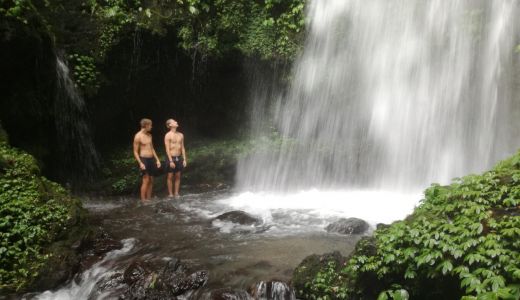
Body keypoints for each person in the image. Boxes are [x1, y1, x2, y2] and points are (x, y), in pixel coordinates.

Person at [133, 118, 161, 202]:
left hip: (151, 159)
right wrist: (140, 163)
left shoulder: (149, 135)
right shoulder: (138, 136)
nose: (151, 127)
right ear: (146, 125)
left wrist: (157, 160)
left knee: (151, 180)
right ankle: (143, 200)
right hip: (143, 159)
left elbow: (152, 148)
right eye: (150, 125)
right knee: (146, 180)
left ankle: (149, 198)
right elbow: (135, 151)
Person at [164, 119, 187, 198]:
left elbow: (183, 147)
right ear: (170, 125)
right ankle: (170, 194)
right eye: (174, 122)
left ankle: (176, 193)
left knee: (178, 176)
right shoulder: (168, 135)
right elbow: (167, 149)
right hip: (171, 157)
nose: (176, 122)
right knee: (170, 176)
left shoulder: (181, 134)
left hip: (179, 157)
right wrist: (170, 161)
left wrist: (184, 159)